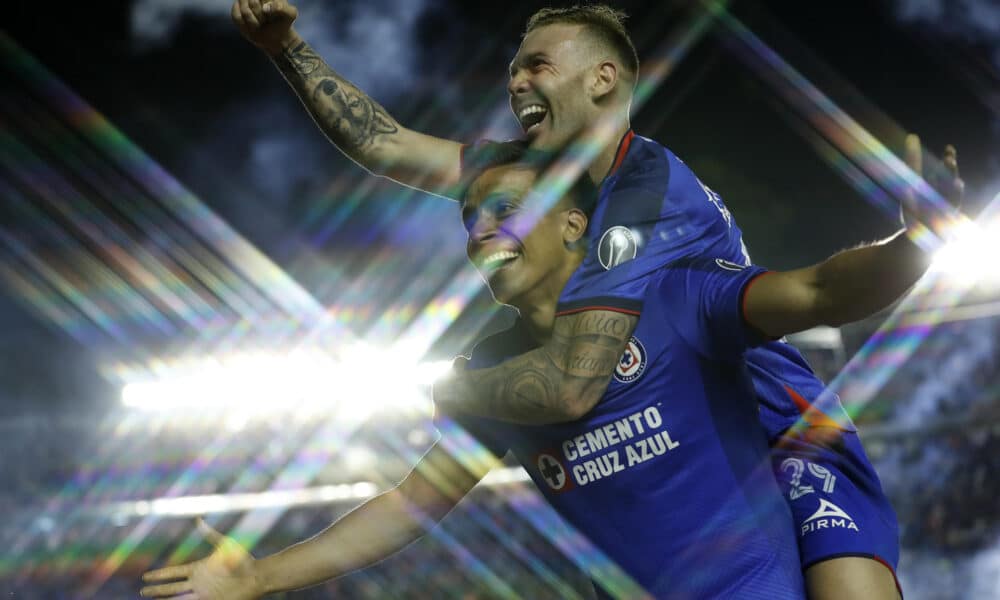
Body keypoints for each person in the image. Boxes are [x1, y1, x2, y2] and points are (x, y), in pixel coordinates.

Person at [227, 2, 964, 596]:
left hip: (772, 418)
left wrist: (453, 388)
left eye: (537, 65)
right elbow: (383, 145)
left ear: (603, 79)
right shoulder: (519, 179)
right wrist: (287, 48)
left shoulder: (647, 191)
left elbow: (576, 383)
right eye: (513, 70)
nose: (515, 83)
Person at [140, 138, 953, 599]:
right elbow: (410, 505)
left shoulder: (672, 297)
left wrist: (914, 246)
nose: (482, 230)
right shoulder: (494, 372)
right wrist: (257, 578)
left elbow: (819, 289)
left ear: (574, 227)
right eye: (470, 219)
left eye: (504, 211)